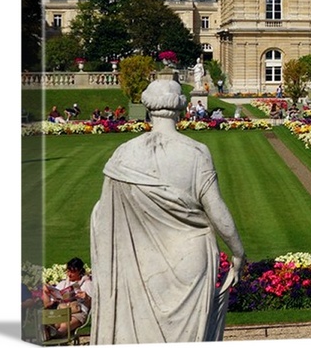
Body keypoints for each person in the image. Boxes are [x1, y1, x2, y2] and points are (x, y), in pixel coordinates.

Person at [90, 79, 245, 344]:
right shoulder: (196, 152)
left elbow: (102, 217)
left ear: (148, 107)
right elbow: (217, 210)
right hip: (190, 259)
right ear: (182, 108)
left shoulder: (124, 155)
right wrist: (238, 251)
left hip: (141, 260)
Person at [41, 257, 93, 340]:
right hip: (62, 312)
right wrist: (46, 292)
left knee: (64, 326)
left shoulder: (87, 284)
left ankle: (53, 338)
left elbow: (95, 304)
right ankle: (49, 336)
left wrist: (87, 297)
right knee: (53, 325)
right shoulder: (63, 283)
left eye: (72, 272)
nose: (69, 274)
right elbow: (47, 304)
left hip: (78, 313)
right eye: (68, 271)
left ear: (79, 271)